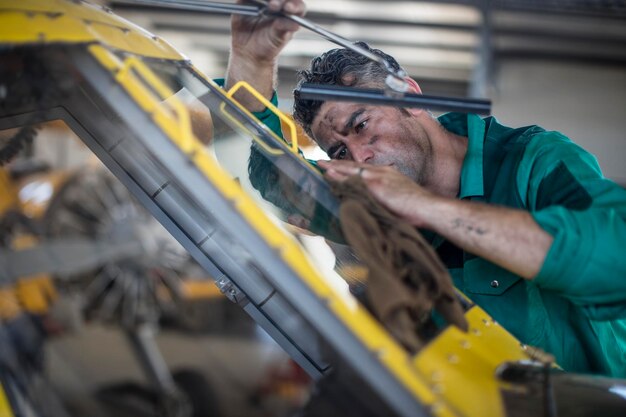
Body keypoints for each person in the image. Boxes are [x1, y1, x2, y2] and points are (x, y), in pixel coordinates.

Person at [224, 0, 626, 377]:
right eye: (339, 150)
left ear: (411, 97)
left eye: (362, 125)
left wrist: (427, 208)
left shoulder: (534, 161)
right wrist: (252, 61)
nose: (360, 158)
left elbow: (615, 259)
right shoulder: (369, 198)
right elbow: (274, 175)